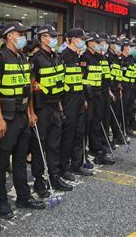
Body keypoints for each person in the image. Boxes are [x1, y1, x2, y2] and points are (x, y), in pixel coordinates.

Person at [0, 22, 45, 219]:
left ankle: (23, 196)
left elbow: (27, 88)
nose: (22, 37)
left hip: (22, 116)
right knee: (1, 162)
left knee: (20, 160)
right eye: (19, 34)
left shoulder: (22, 57)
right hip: (7, 118)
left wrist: (30, 112)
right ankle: (1, 202)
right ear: (9, 36)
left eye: (23, 34)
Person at [29, 24, 73, 197]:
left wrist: (60, 106)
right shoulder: (36, 59)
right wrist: (31, 112)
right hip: (41, 108)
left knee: (54, 144)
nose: (55, 39)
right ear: (43, 38)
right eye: (51, 36)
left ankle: (54, 176)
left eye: (55, 36)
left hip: (55, 106)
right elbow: (30, 87)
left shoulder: (56, 57)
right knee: (39, 145)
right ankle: (39, 180)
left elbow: (58, 82)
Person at [59, 28, 93, 177]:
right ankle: (63, 167)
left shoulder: (79, 56)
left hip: (79, 99)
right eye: (81, 39)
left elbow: (80, 80)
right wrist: (60, 103)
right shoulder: (63, 56)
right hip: (68, 100)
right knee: (68, 134)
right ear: (73, 39)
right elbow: (60, 81)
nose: (83, 42)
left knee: (79, 132)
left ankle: (77, 164)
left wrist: (83, 99)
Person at [81, 33, 115, 165]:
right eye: (96, 42)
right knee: (87, 125)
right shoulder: (84, 57)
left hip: (99, 94)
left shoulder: (98, 57)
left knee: (97, 123)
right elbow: (82, 79)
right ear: (90, 43)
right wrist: (84, 98)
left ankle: (97, 151)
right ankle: (86, 152)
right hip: (89, 97)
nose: (99, 44)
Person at [107, 36, 127, 144]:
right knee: (110, 115)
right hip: (110, 90)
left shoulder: (116, 57)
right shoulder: (107, 57)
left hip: (117, 88)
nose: (118, 46)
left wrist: (119, 86)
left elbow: (118, 73)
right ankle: (112, 137)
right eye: (115, 44)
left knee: (117, 113)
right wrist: (109, 90)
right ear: (110, 44)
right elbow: (107, 76)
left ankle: (117, 136)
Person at [97, 33, 114, 152]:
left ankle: (105, 141)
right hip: (97, 92)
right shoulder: (95, 57)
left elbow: (106, 76)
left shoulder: (104, 57)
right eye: (103, 42)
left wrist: (108, 89)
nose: (105, 44)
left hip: (105, 91)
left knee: (106, 118)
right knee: (98, 120)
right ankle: (100, 144)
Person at [120, 40, 136, 138]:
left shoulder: (131, 58)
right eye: (128, 46)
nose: (130, 48)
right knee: (125, 109)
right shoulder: (121, 59)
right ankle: (125, 128)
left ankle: (131, 124)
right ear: (124, 47)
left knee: (131, 107)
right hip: (124, 88)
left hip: (132, 87)